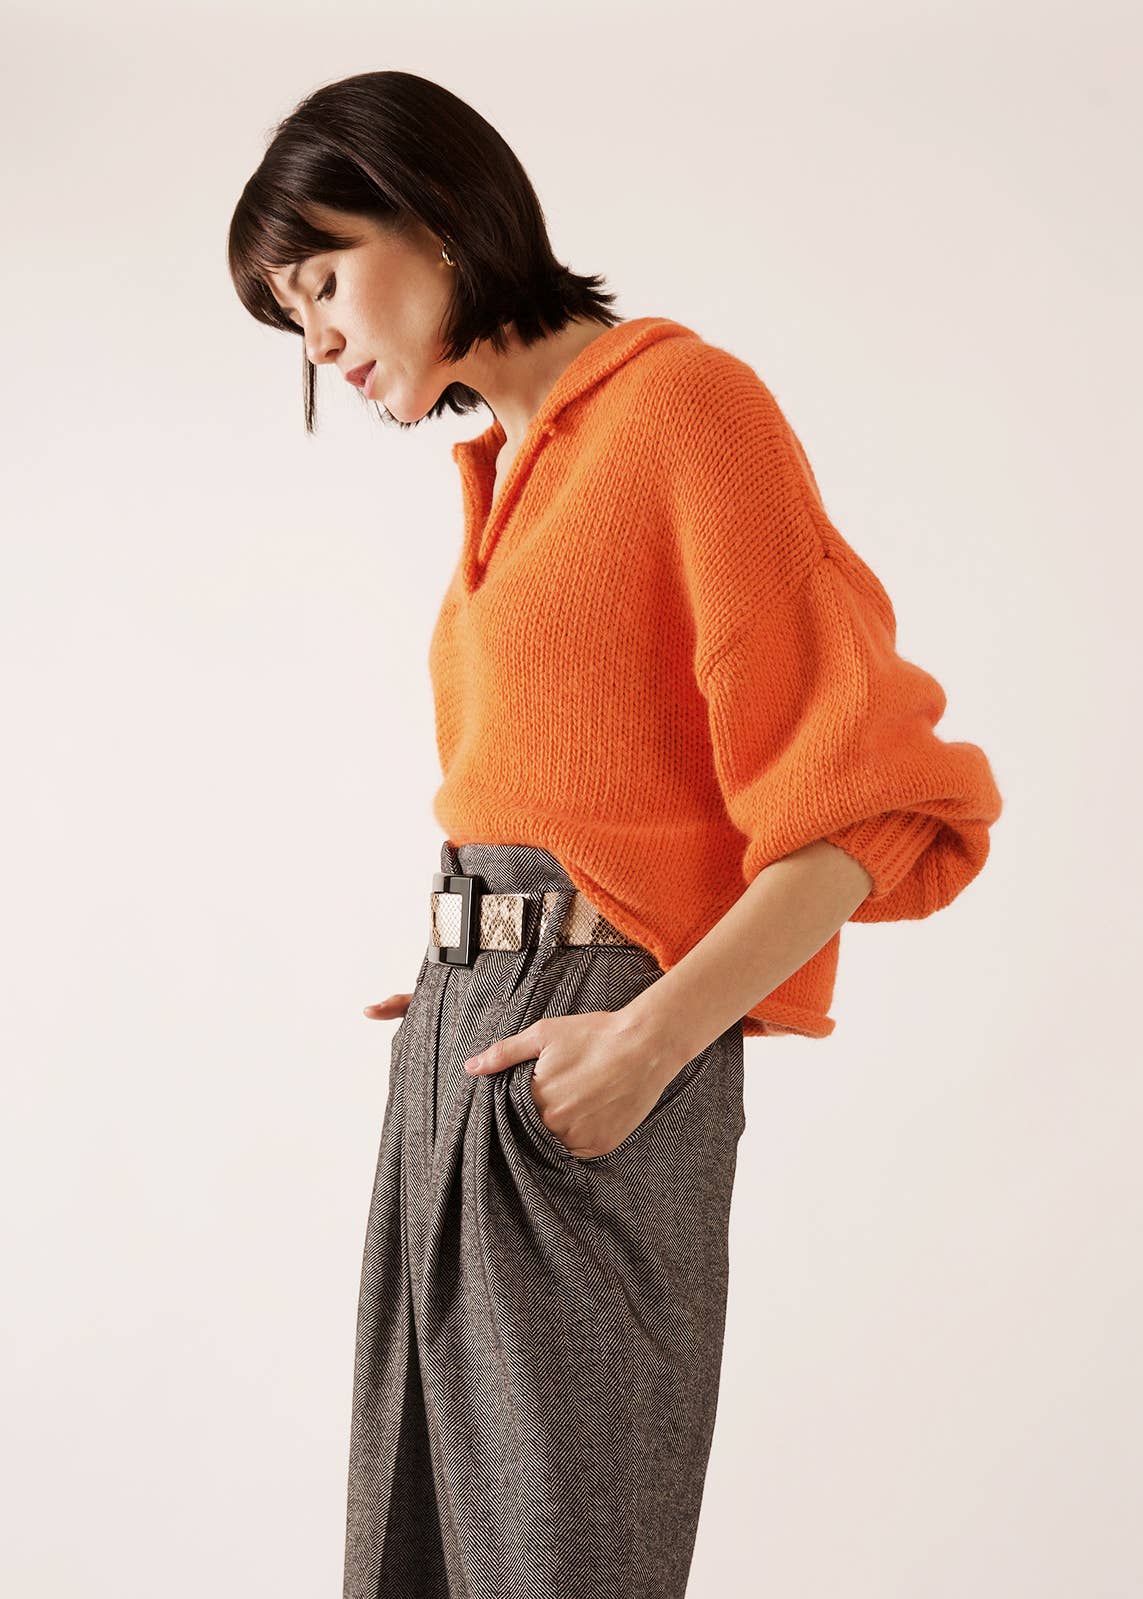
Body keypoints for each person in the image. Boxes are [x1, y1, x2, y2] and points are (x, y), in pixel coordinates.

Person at [229, 68, 1003, 1599]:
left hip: (589, 1055)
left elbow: (865, 803)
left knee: (560, 1566)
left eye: (320, 281)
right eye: (286, 315)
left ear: (436, 218)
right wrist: (472, 961)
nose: (313, 340)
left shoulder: (683, 407)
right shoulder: (506, 479)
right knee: (415, 1558)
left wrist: (642, 1040)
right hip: (464, 1044)